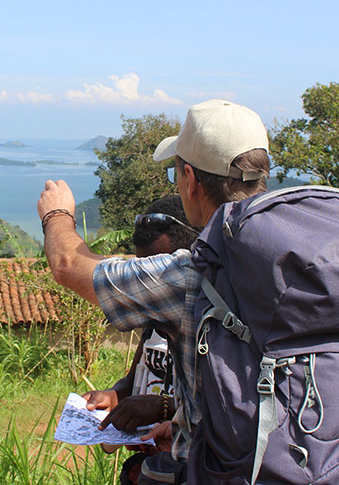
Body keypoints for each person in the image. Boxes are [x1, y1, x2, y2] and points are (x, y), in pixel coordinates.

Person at [38, 99, 270, 483]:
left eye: (174, 175)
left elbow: (67, 265)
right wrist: (181, 419)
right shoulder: (301, 262)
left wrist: (56, 213)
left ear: (192, 180)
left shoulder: (194, 274)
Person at [81, 195, 199, 484]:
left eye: (156, 270)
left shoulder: (204, 319)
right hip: (150, 465)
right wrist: (112, 395)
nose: (146, 282)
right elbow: (133, 378)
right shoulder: (151, 320)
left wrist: (161, 407)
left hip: (191, 464)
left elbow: (214, 403)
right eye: (140, 266)